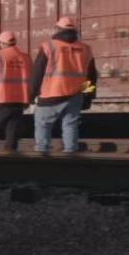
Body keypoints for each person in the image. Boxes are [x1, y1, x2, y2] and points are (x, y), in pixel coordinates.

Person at [30, 17, 98, 153]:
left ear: (58, 29)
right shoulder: (85, 48)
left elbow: (37, 73)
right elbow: (91, 76)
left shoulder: (48, 46)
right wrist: (88, 95)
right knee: (70, 125)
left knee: (43, 124)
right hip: (75, 94)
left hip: (51, 93)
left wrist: (32, 94)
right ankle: (71, 153)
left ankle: (42, 153)